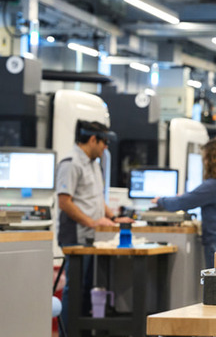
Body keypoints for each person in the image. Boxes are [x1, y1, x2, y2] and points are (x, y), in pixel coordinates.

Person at [57, 120, 133, 334]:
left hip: (93, 237)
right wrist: (92, 222)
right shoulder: (71, 163)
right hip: (76, 236)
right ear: (92, 139)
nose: (106, 148)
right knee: (75, 289)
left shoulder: (93, 165)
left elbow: (96, 199)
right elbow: (65, 201)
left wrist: (115, 218)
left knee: (89, 288)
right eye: (104, 142)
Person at [152, 139, 216, 269]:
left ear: (212, 160)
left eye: (205, 158)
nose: (204, 163)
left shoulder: (215, 184)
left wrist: (160, 200)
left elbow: (183, 203)